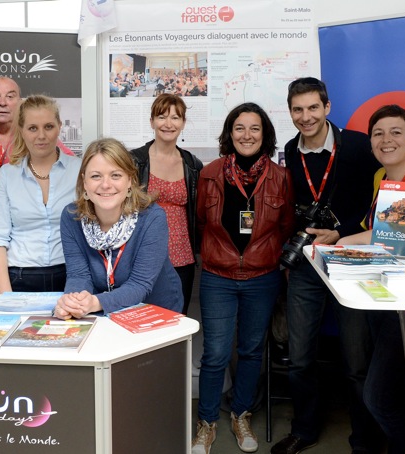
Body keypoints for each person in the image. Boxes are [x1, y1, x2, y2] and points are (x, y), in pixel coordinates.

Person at [271, 77, 382, 454]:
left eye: (313, 108)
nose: (306, 117)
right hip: (308, 264)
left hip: (351, 260)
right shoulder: (290, 148)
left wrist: (342, 233)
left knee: (355, 362)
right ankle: (305, 429)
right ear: (290, 112)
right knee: (300, 358)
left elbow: (377, 204)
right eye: (298, 110)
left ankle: (364, 439)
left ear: (328, 107)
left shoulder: (358, 146)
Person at [338, 104, 405, 454]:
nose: (386, 140)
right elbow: (378, 229)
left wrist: (345, 242)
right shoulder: (381, 178)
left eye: (396, 132)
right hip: (384, 292)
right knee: (392, 391)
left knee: (380, 397)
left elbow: (402, 236)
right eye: (378, 133)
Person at [192, 103, 295, 454]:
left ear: (265, 134)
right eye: (239, 128)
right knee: (216, 354)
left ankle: (240, 414)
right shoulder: (209, 174)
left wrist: (262, 257)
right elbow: (201, 225)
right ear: (229, 133)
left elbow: (284, 228)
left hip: (262, 276)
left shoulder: (281, 177)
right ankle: (206, 423)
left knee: (251, 351)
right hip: (217, 276)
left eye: (254, 128)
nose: (246, 135)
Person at [53, 138, 183, 319]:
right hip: (103, 312)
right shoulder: (71, 217)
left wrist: (95, 303)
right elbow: (78, 275)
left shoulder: (152, 217)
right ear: (84, 182)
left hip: (154, 310)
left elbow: (140, 284)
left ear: (130, 180)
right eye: (96, 176)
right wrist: (73, 301)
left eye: (116, 175)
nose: (105, 185)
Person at [0, 95, 81, 293]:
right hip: (19, 277)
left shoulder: (80, 171)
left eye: (48, 126)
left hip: (71, 276)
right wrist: (6, 296)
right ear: (21, 130)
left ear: (59, 126)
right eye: (32, 128)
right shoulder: (7, 175)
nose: (41, 136)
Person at [130, 94, 203, 314]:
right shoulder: (134, 161)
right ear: (152, 121)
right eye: (162, 117)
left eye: (175, 118)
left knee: (176, 319)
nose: (168, 124)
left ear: (183, 123)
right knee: (141, 319)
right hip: (142, 255)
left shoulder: (192, 165)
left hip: (182, 257)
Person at [0, 77, 74, 195]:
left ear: (20, 102)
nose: (2, 103)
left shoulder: (35, 138)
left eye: (10, 97)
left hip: (24, 211)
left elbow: (72, 164)